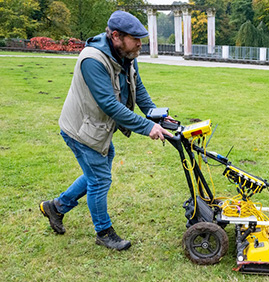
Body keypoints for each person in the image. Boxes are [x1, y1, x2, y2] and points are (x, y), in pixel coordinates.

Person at [39, 10, 173, 251]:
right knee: (100, 179)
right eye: (136, 39)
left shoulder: (127, 54)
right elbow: (109, 104)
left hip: (97, 127)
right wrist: (147, 127)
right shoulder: (92, 60)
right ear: (116, 36)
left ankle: (57, 207)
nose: (140, 44)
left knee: (96, 174)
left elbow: (138, 89)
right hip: (81, 130)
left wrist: (157, 116)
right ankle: (104, 232)